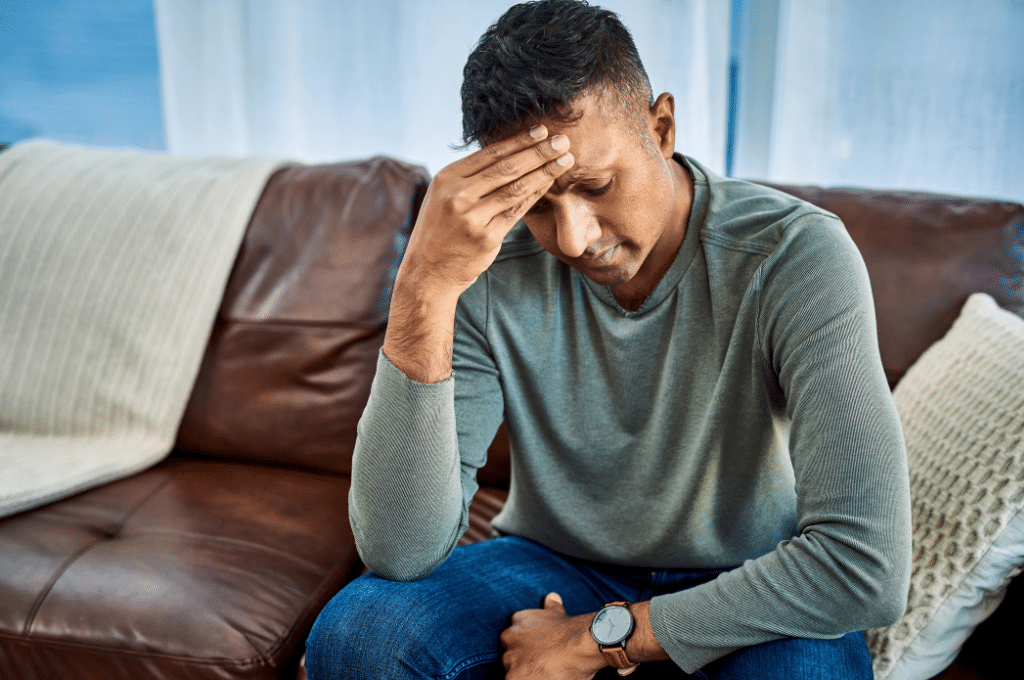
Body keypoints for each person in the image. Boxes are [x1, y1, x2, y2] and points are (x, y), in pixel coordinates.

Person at [305, 1, 912, 678]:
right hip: (553, 562)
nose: (573, 238)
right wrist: (423, 286)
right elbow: (400, 551)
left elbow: (866, 567)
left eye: (595, 185)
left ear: (662, 127)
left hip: (750, 576)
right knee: (360, 635)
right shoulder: (480, 265)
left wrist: (597, 639)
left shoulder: (794, 255)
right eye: (535, 204)